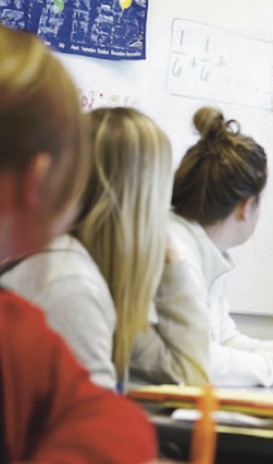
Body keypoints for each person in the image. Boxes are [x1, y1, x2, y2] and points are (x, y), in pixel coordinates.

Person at [0, 25, 156, 462]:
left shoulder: (21, 327)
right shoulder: (23, 326)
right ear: (39, 180)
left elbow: (105, 417)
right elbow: (119, 432)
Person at [0, 106, 210, 391]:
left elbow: (189, 374)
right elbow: (90, 432)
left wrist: (172, 261)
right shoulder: (70, 284)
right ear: (142, 206)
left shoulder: (91, 277)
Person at [169, 106, 273, 387]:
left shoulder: (203, 248)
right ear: (247, 206)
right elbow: (201, 362)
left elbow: (223, 341)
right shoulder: (178, 256)